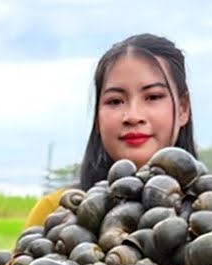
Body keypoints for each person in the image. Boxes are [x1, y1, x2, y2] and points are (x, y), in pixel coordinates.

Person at [22, 33, 196, 230]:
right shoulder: (53, 212)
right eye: (115, 101)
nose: (132, 116)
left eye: (153, 96)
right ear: (97, 117)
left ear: (183, 108)